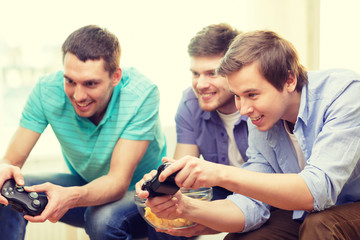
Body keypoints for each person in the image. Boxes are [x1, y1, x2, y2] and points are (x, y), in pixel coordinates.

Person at [136, 30, 360, 240]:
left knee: (320, 225)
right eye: (237, 96)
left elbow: (317, 191)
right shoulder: (262, 118)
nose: (243, 110)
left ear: (289, 80)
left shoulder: (344, 94)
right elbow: (252, 205)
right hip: (316, 211)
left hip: (345, 205)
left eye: (252, 94)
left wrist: (218, 173)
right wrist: (185, 207)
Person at [0, 25, 166, 240]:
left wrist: (71, 197)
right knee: (7, 191)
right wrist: (4, 169)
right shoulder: (46, 90)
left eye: (90, 83)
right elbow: (11, 160)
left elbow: (117, 182)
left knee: (103, 220)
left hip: (141, 194)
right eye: (70, 81)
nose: (78, 96)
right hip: (86, 184)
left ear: (115, 77)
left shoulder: (141, 95)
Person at [146, 23, 248, 240]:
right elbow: (181, 172)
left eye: (212, 73)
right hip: (220, 188)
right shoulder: (190, 102)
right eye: (195, 73)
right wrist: (158, 185)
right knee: (165, 217)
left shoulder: (256, 105)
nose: (200, 84)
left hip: (260, 189)